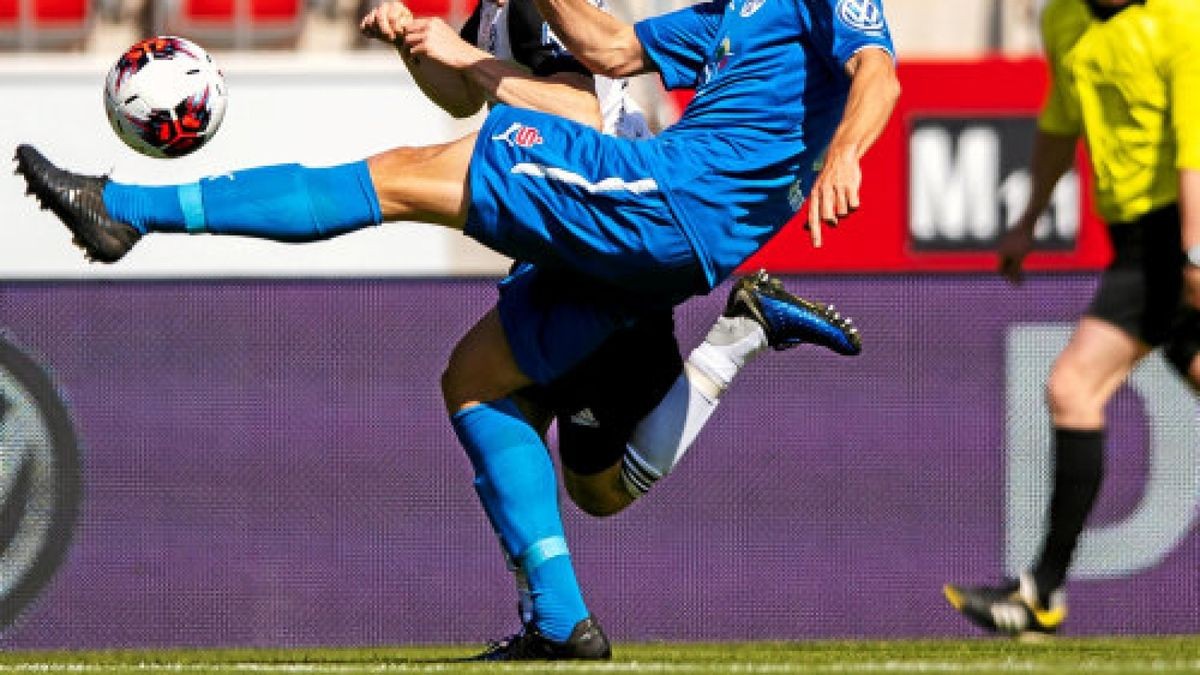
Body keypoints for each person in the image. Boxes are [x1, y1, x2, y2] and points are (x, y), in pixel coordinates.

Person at [15, 0, 899, 658]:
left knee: (403, 177)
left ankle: (124, 207)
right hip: (666, 232)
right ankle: (557, 620)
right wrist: (435, 47)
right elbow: (616, 48)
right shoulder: (730, 14)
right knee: (477, 379)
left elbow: (878, 73)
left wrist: (849, 151)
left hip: (666, 202)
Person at [366, 0, 861, 654]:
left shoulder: (541, 10)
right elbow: (460, 97)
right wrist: (414, 44)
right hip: (580, 230)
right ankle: (554, 621)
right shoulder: (496, 8)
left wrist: (469, 62)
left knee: (582, 474)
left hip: (605, 237)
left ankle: (741, 332)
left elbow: (576, 111)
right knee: (511, 410)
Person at [943, 0, 1200, 637]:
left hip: (1176, 235)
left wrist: (1195, 251)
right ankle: (1041, 593)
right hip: (1140, 243)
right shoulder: (1063, 21)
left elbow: (1196, 139)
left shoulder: (1181, 20)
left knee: (1074, 386)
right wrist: (1028, 218)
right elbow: (1062, 122)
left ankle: (1041, 592)